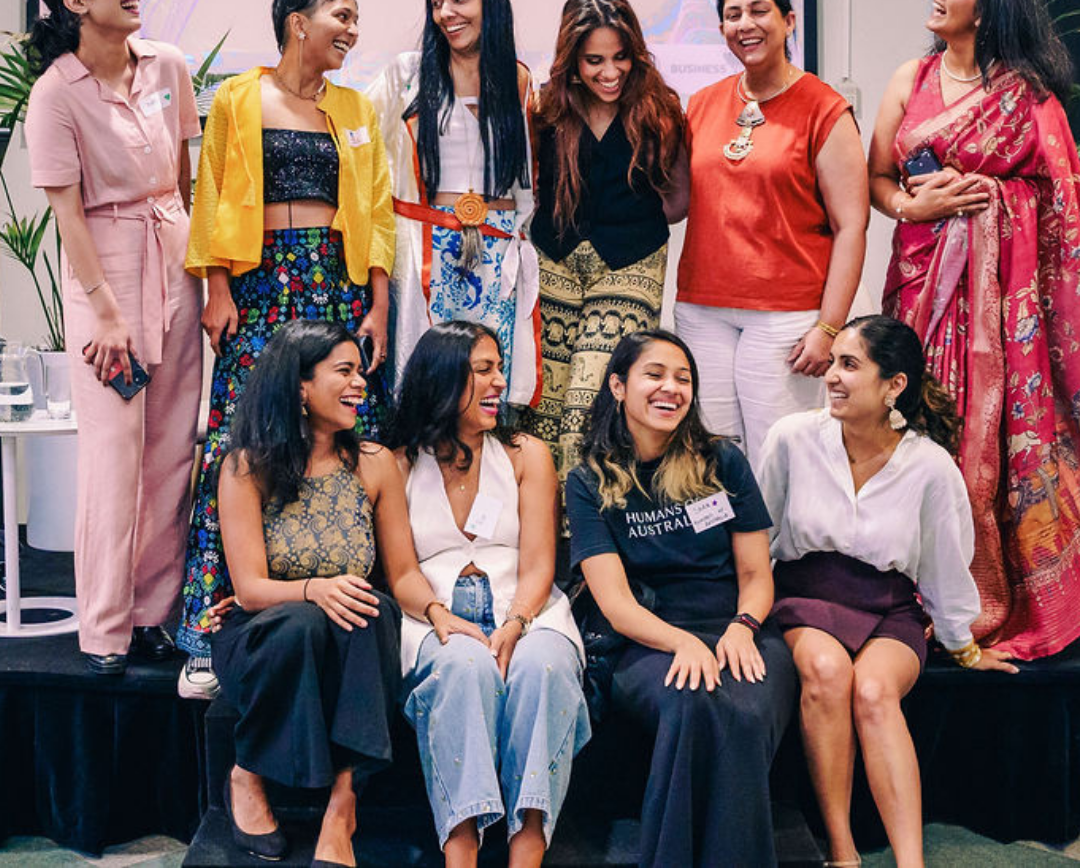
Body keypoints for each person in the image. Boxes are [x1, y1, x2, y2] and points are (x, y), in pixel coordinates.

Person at [178, 0, 395, 696]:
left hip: (333, 284)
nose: (352, 30)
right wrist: (216, 285)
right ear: (298, 20)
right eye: (342, 14)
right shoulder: (238, 97)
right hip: (259, 283)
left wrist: (379, 303)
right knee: (237, 445)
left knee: (340, 438)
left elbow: (378, 211)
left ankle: (362, 608)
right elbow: (209, 193)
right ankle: (212, 632)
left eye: (357, 17)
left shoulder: (356, 107)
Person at [868, 0, 1080, 660]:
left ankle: (989, 595)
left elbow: (1061, 199)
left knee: (987, 441)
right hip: (921, 285)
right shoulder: (912, 77)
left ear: (985, 7)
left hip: (1002, 307)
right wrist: (910, 205)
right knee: (915, 420)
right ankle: (906, 595)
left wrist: (990, 197)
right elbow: (879, 180)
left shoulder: (1030, 96)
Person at [757, 315, 1018, 868]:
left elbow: (946, 566)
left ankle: (910, 862)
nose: (832, 377)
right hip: (805, 593)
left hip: (890, 607)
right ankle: (843, 852)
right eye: (833, 364)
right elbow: (761, 535)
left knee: (875, 692)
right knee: (828, 673)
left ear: (894, 384)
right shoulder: (792, 438)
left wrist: (963, 647)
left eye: (850, 365)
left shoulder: (930, 466)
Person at [24, 0, 202, 674]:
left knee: (170, 452)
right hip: (106, 270)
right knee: (112, 457)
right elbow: (66, 217)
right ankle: (103, 628)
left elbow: (187, 180)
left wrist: (200, 269)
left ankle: (153, 613)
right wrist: (103, 312)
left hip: (175, 260)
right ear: (74, 2)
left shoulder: (169, 65)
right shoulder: (56, 94)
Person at [566, 328, 797, 868]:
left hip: (739, 627)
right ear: (619, 386)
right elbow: (616, 603)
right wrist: (681, 643)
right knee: (691, 701)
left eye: (683, 378)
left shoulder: (723, 461)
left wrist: (742, 625)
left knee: (741, 714)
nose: (671, 388)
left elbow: (756, 574)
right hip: (645, 637)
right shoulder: (587, 480)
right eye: (655, 375)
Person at [385, 321, 589, 867]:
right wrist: (438, 615)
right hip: (433, 614)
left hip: (526, 606)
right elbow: (401, 571)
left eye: (499, 368)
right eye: (484, 370)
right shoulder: (398, 462)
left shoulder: (526, 454)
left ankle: (528, 841)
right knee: (463, 669)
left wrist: (518, 621)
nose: (500, 381)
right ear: (443, 378)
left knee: (543, 667)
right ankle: (462, 847)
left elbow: (541, 561)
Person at [211, 320, 402, 867]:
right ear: (299, 385)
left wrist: (440, 613)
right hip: (265, 635)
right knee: (304, 619)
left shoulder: (374, 462)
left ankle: (342, 807)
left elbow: (401, 572)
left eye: (360, 371)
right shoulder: (246, 466)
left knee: (373, 608)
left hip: (347, 636)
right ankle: (247, 773)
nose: (360, 382)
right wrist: (314, 589)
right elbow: (248, 590)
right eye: (343, 371)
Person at [675, 0, 868, 469]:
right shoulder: (702, 103)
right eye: (732, 15)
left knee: (777, 456)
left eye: (759, 11)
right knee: (712, 455)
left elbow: (852, 226)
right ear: (720, 30)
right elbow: (674, 203)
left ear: (788, 20)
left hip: (787, 313)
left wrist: (828, 328)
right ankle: (728, 551)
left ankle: (781, 553)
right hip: (703, 307)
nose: (745, 24)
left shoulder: (824, 109)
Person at [524, 0, 687, 483]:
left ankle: (586, 533)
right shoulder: (545, 111)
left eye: (620, 57)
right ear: (571, 60)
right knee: (544, 405)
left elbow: (678, 202)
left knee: (591, 398)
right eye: (594, 60)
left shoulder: (660, 111)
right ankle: (542, 531)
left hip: (630, 263)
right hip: (554, 261)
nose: (609, 72)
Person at [367, 0, 539, 405]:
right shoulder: (406, 75)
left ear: (492, 2)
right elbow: (359, 149)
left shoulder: (519, 81)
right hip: (423, 244)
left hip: (496, 247)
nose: (446, 13)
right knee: (428, 384)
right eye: (437, 2)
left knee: (488, 381)